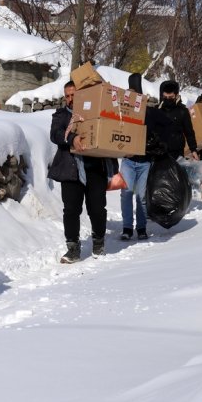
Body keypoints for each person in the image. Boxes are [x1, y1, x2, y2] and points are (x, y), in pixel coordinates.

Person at [48, 81, 117, 263]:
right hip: (71, 170)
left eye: (74, 95)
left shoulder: (95, 111)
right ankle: (73, 249)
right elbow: (55, 134)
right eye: (67, 96)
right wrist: (72, 138)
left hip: (95, 168)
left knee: (97, 209)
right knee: (71, 210)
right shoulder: (61, 115)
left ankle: (98, 241)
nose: (70, 99)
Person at [119, 73, 158, 241]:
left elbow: (156, 135)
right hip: (128, 160)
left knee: (141, 196)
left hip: (144, 162)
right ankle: (127, 227)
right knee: (126, 193)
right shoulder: (123, 112)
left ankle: (141, 228)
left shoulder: (149, 113)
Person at [153, 80, 199, 161]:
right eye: (165, 97)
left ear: (176, 96)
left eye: (171, 97)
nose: (168, 99)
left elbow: (189, 132)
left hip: (177, 152)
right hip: (159, 152)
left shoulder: (182, 111)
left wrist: (193, 150)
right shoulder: (157, 110)